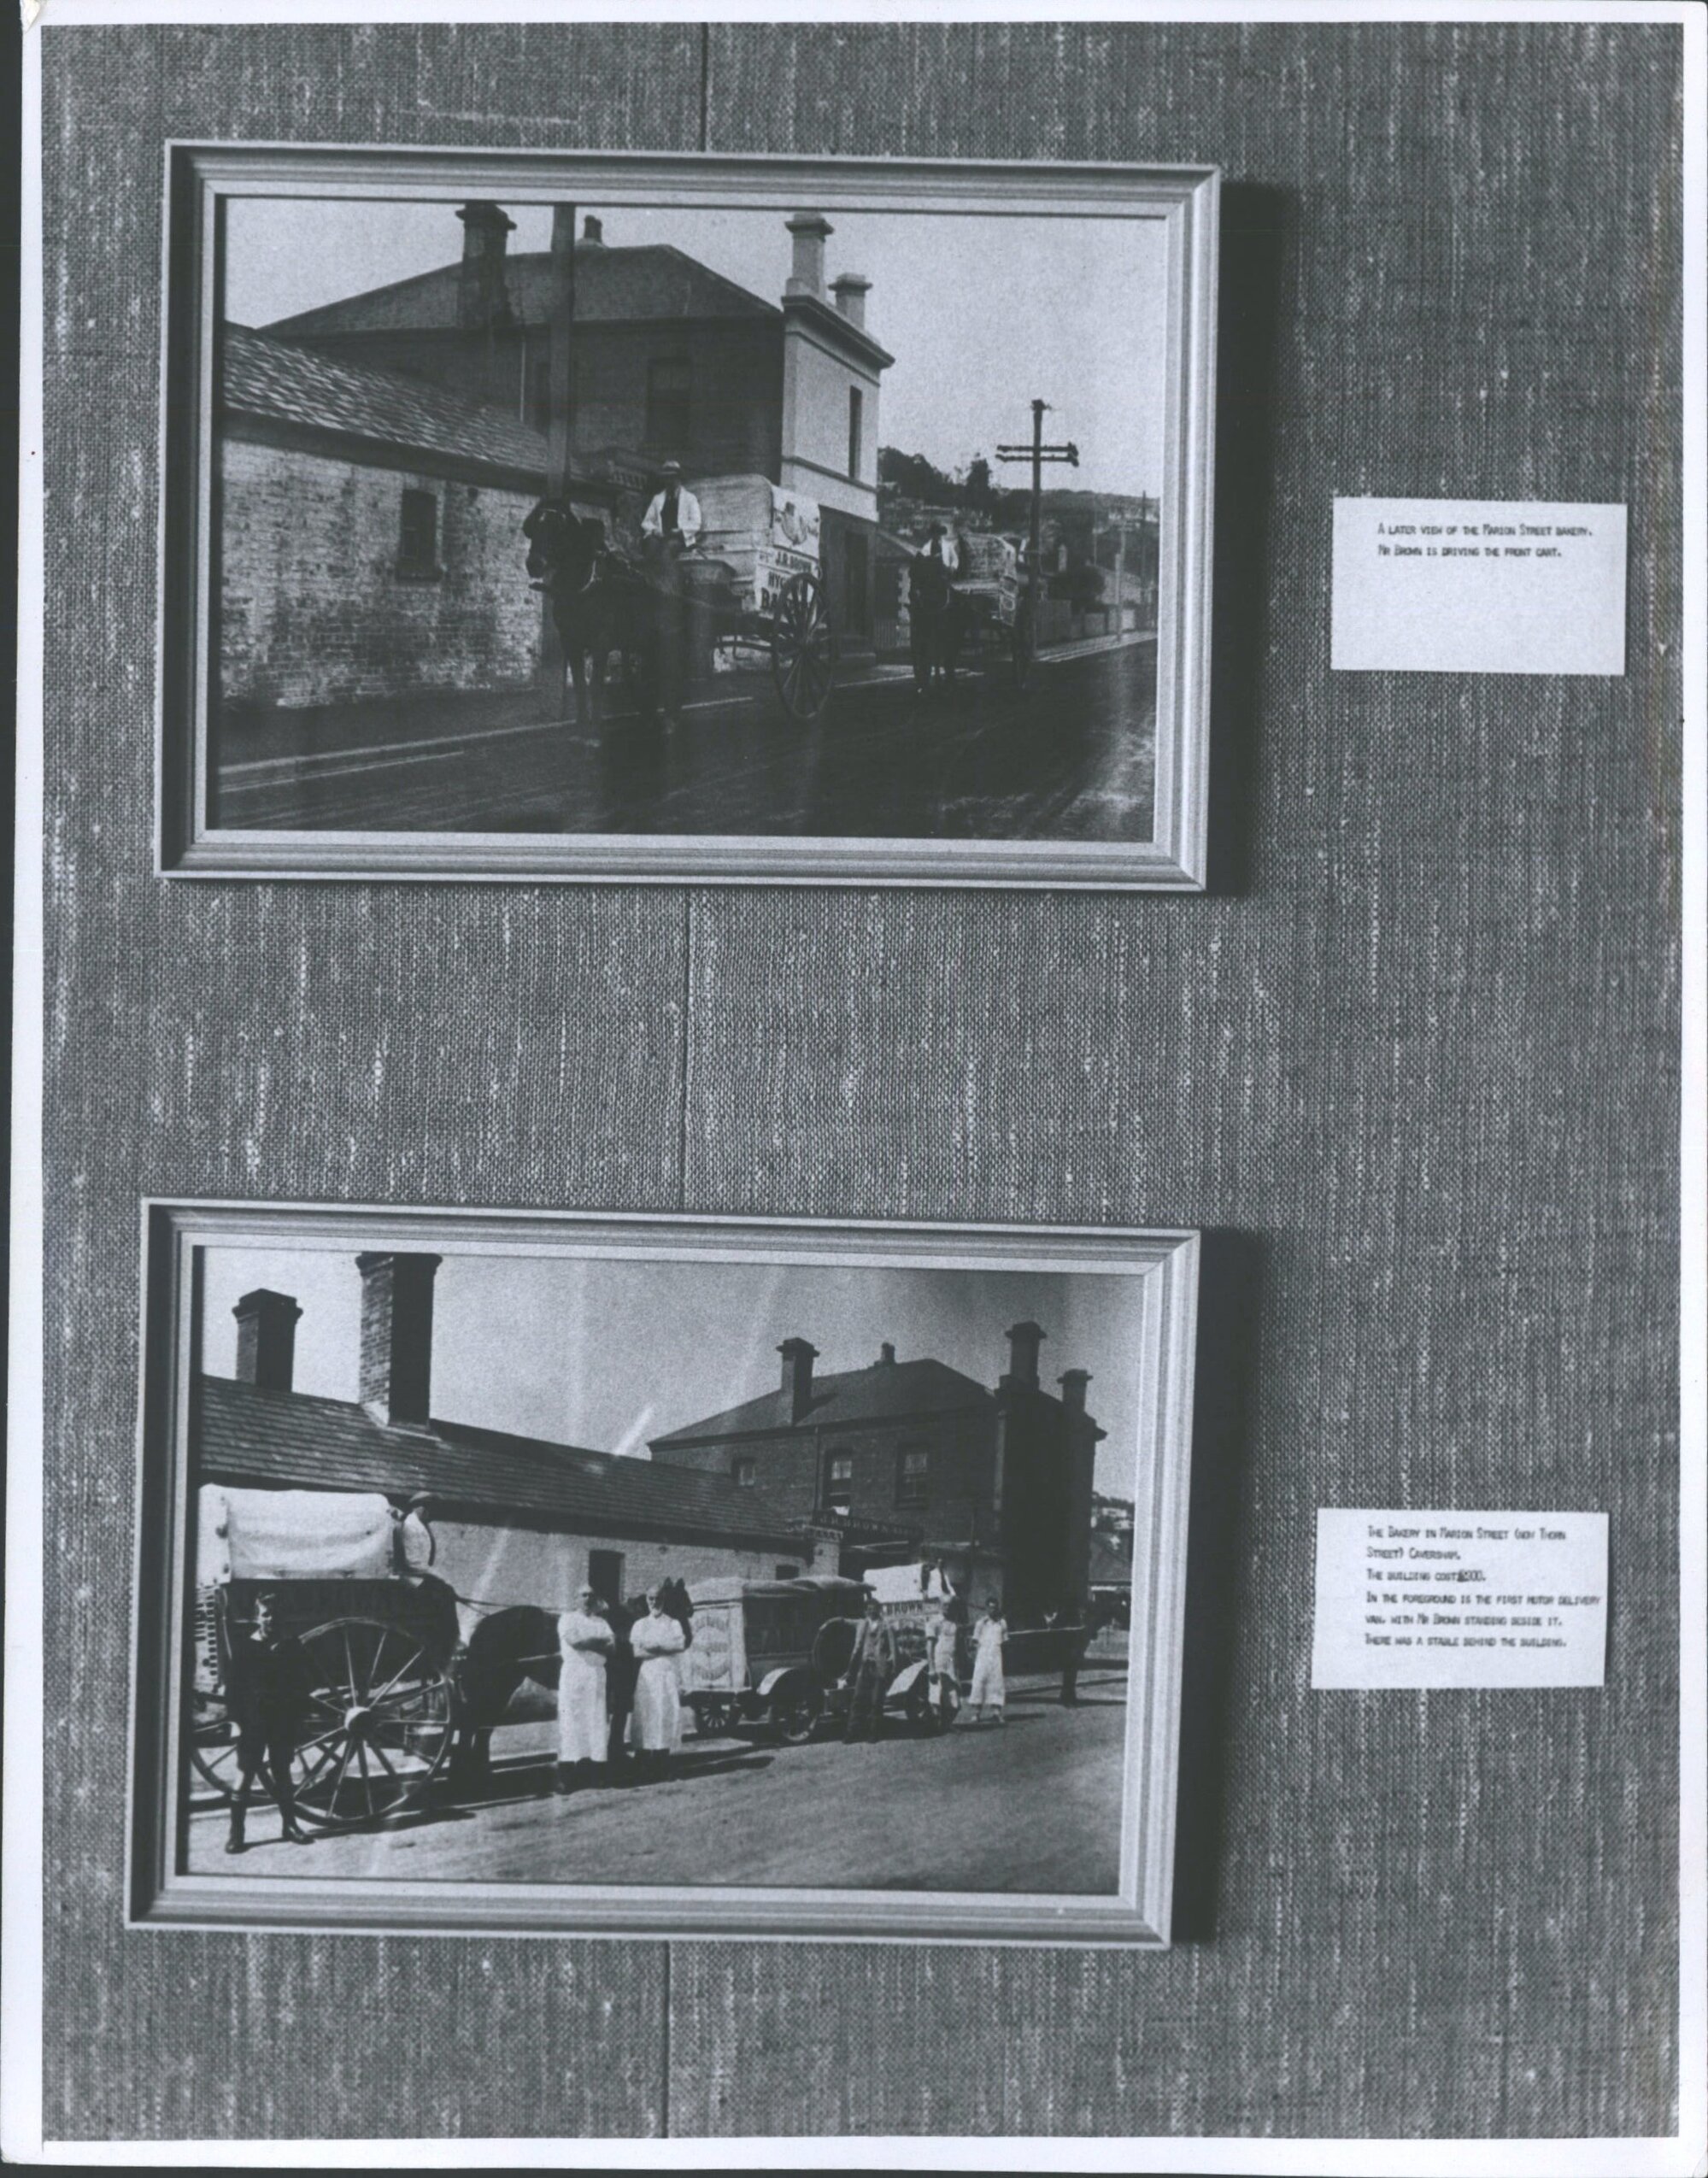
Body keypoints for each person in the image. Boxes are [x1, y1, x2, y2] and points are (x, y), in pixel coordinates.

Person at [224, 1592, 314, 1853]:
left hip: (282, 1721)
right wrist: (235, 1723)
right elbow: (233, 1692)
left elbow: (303, 1685)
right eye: (266, 1614)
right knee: (244, 1777)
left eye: (276, 1614)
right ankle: (236, 1834)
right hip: (252, 1722)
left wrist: (299, 1718)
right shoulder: (245, 1649)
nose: (271, 1619)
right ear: (257, 1618)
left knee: (282, 1775)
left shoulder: (291, 1646)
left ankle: (290, 1825)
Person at [555, 1584, 615, 1793]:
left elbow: (612, 1647)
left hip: (596, 1677)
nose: (587, 1599)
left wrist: (590, 1642)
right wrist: (598, 1642)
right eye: (583, 1595)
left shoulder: (602, 1622)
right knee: (571, 1723)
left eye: (591, 1595)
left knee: (596, 1722)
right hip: (574, 1676)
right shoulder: (567, 1619)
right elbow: (575, 1642)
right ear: (576, 1599)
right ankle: (566, 1777)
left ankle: (595, 1775)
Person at [628, 1586, 689, 1773]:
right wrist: (665, 1647)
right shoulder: (640, 1625)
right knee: (646, 1713)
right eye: (651, 1599)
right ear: (647, 1600)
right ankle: (643, 1759)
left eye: (658, 1599)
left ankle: (662, 1759)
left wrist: (654, 1645)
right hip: (648, 1675)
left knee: (664, 1713)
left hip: (667, 1674)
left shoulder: (673, 1624)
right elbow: (637, 1652)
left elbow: (680, 1645)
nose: (655, 1603)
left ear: (664, 1600)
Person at [842, 1592, 897, 1743]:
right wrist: (840, 1619)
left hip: (879, 1666)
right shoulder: (863, 1623)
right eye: (869, 1608)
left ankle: (874, 1733)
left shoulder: (886, 1625)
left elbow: (893, 1646)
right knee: (858, 1699)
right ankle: (852, 1733)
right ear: (866, 1610)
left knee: (876, 1701)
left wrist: (892, 1659)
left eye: (874, 1608)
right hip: (865, 1666)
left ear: (879, 1610)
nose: (871, 1611)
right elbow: (849, 1622)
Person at [967, 1595, 1008, 1725]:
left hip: (996, 1656)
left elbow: (1005, 1641)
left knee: (997, 1684)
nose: (992, 1610)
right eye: (990, 1608)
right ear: (986, 1608)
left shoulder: (1002, 1623)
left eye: (995, 1608)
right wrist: (975, 1655)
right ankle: (976, 1714)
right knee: (979, 1683)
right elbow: (974, 1642)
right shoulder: (981, 1624)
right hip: (983, 1656)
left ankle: (996, 1713)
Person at [927, 1594, 963, 1726]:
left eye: (950, 1605)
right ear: (940, 1606)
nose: (947, 1608)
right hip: (938, 1663)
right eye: (945, 1605)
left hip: (951, 1664)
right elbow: (929, 1646)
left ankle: (947, 1724)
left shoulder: (954, 1624)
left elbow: (958, 1645)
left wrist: (959, 1665)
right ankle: (937, 1726)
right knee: (936, 1697)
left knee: (954, 1700)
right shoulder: (934, 1622)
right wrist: (931, 1668)